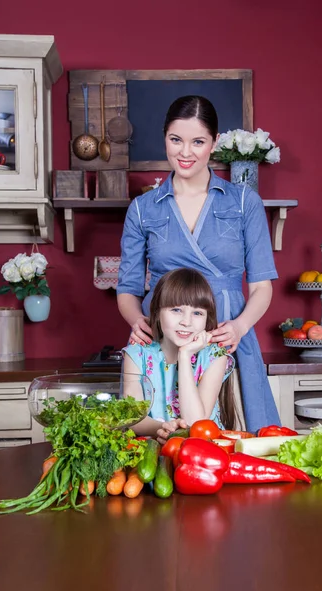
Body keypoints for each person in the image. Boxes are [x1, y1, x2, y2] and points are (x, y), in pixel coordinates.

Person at [117, 95, 280, 432]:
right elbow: (127, 290)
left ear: (215, 143)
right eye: (176, 140)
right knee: (152, 441)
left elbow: (262, 287)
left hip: (225, 337)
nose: (185, 152)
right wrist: (138, 322)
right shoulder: (143, 209)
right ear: (165, 138)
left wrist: (239, 327)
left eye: (198, 142)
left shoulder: (244, 202)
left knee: (233, 445)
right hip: (162, 342)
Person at [122, 268, 236, 444]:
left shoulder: (215, 356)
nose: (186, 322)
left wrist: (184, 355)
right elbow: (131, 417)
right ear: (158, 312)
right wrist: (162, 428)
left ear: (207, 318)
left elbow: (195, 423)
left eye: (197, 313)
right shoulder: (137, 354)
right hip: (153, 447)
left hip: (205, 451)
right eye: (176, 310)